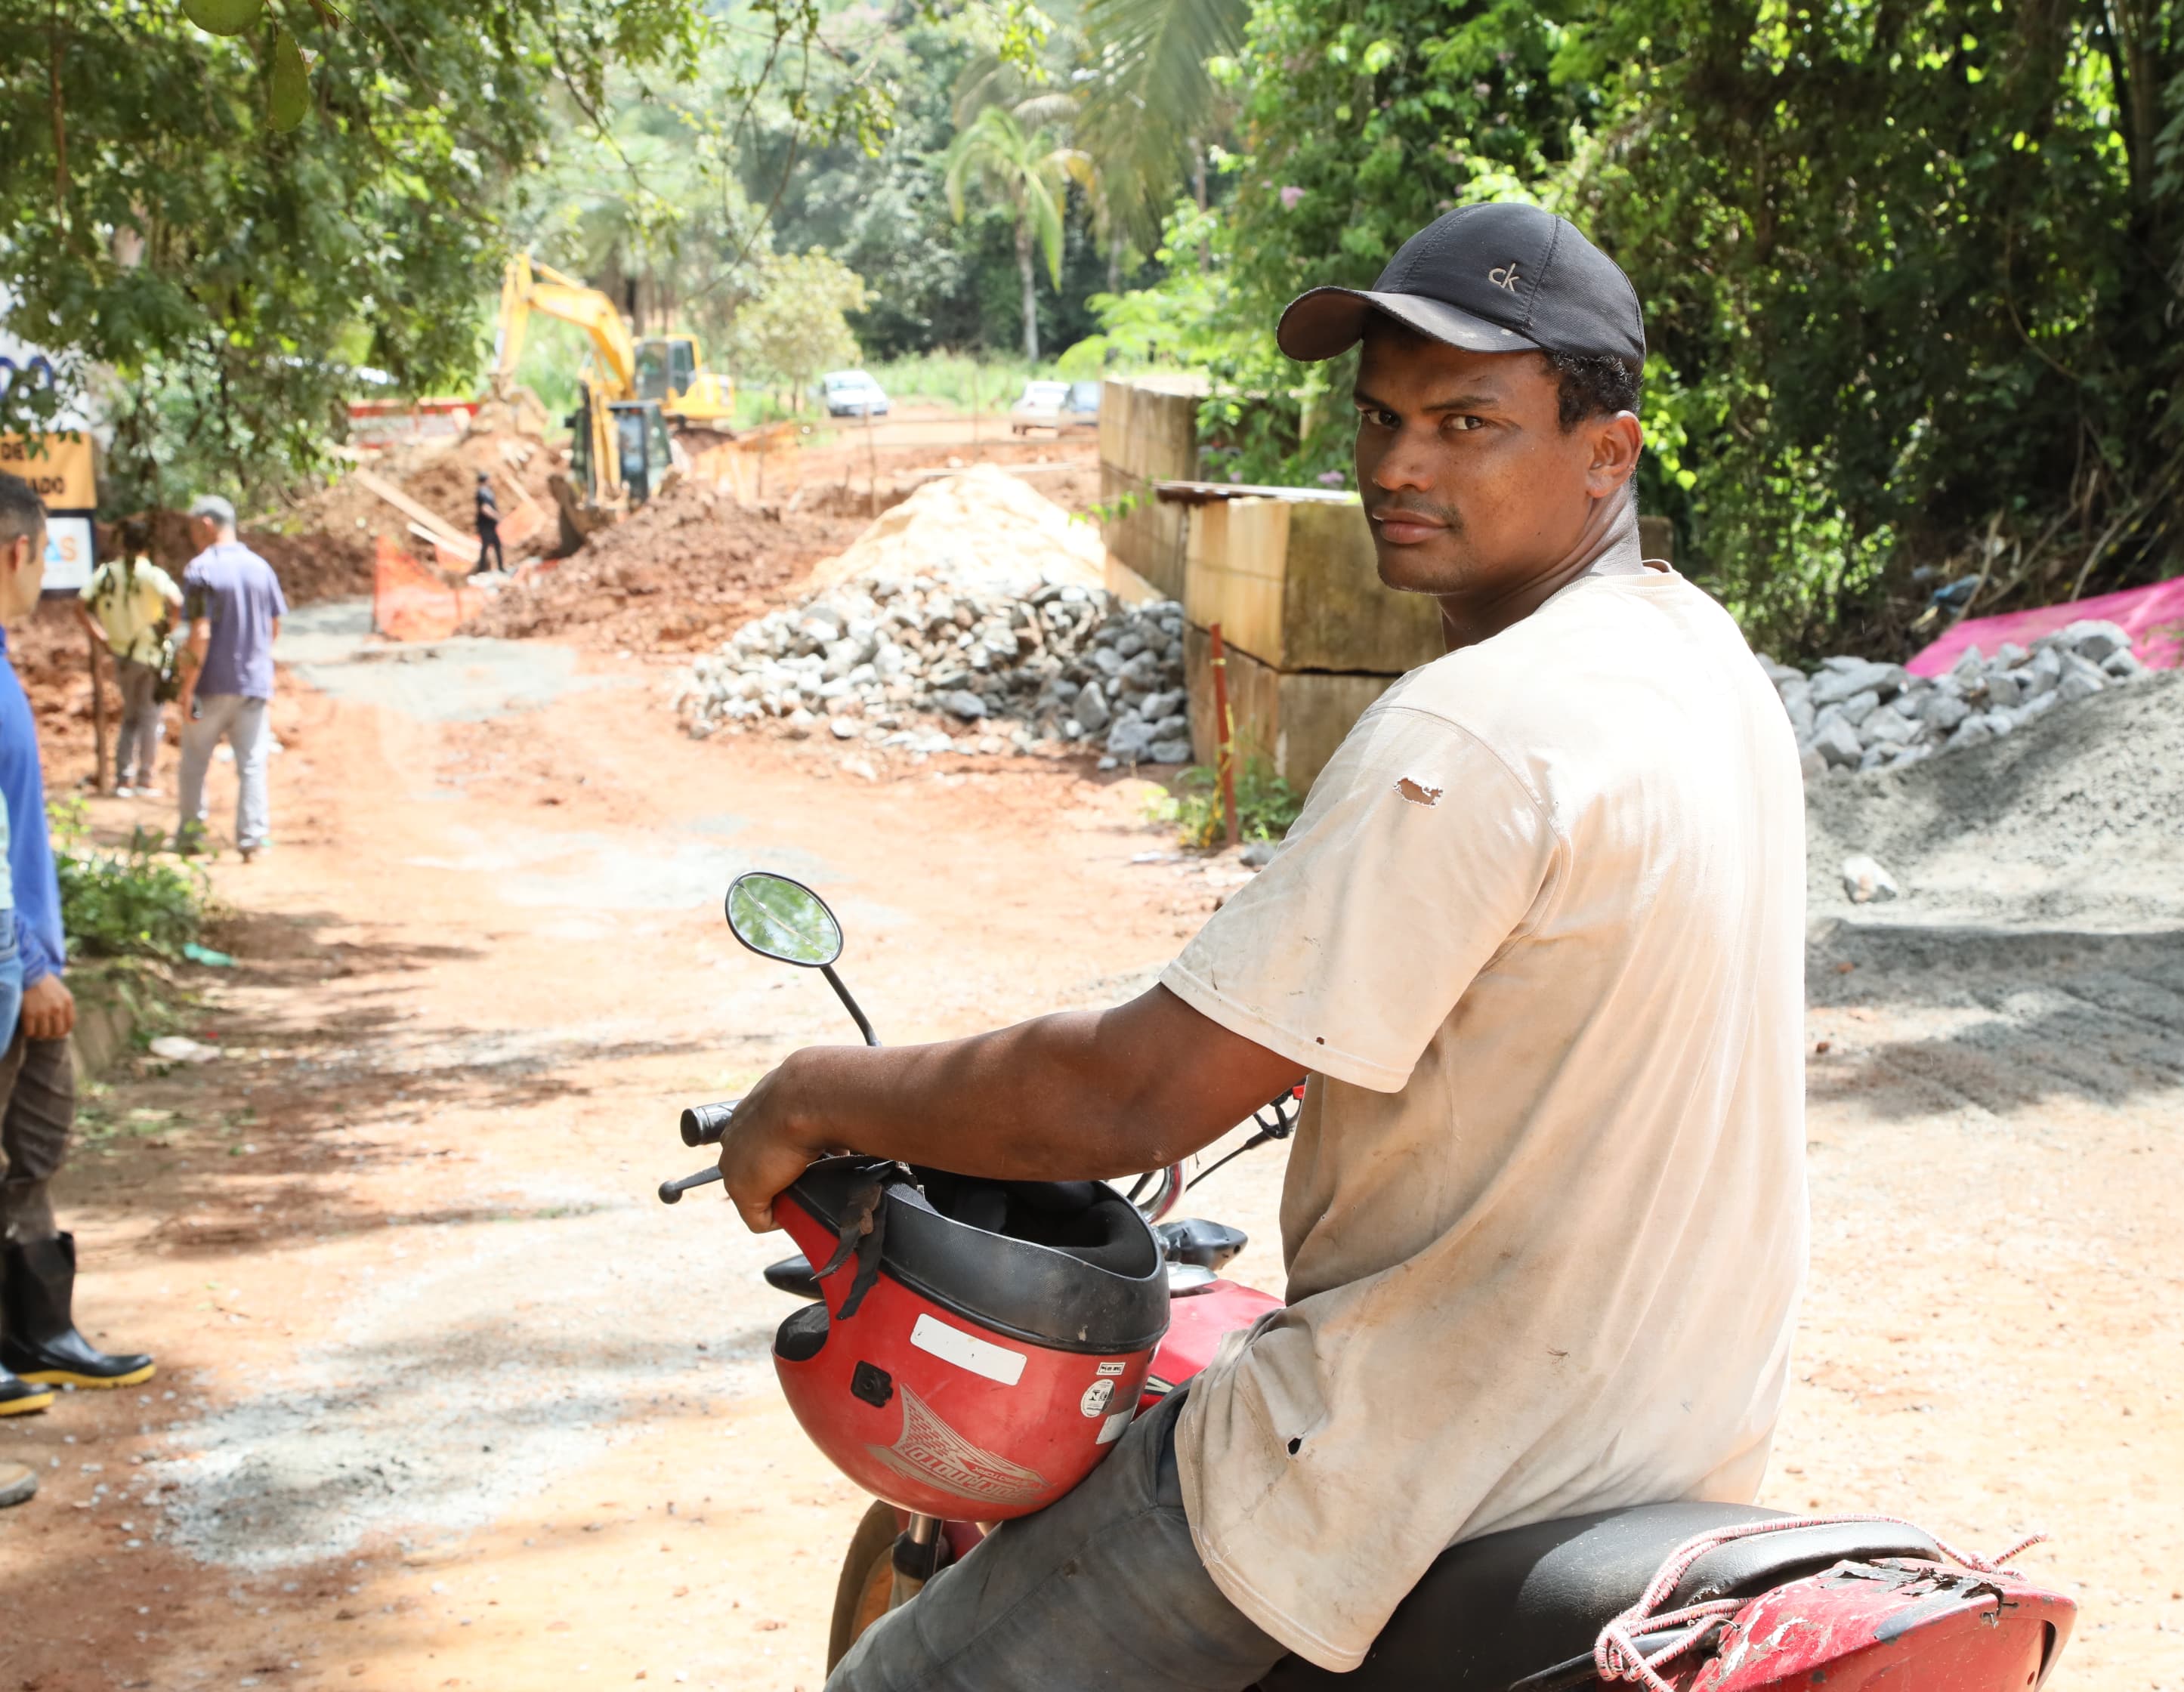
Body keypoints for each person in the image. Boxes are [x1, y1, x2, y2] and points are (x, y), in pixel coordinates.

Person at [717, 204, 1806, 1691]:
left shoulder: (1474, 730)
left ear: (1607, 451)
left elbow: (1132, 1098)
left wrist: (819, 1096)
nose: (1400, 464)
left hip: (1398, 1476)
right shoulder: (1703, 665)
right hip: (1662, 1460)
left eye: (1469, 421)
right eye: (1382, 415)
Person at [0, 473, 154, 1440]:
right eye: (45, 554)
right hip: (15, 964)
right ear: (15, 549)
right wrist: (27, 961)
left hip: (26, 961)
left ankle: (37, 1330)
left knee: (34, 1153)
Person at [174, 494, 287, 863]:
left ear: (206, 524)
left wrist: (187, 687)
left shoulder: (200, 571)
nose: (192, 536)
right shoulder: (261, 568)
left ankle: (191, 836)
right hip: (253, 684)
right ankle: (251, 838)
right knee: (252, 763)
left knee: (194, 761)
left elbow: (200, 633)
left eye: (193, 528)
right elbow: (274, 626)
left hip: (209, 684)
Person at [79, 515, 182, 797]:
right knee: (150, 717)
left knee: (131, 717)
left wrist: (100, 635)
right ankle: (145, 778)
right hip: (150, 654)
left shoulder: (108, 574)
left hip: (121, 653)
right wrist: (168, 630)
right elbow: (177, 602)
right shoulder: (151, 574)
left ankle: (124, 778)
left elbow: (81, 605)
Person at [473, 471, 505, 576]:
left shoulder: (485, 491)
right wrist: (496, 516)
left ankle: (500, 568)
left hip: (489, 525)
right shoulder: (483, 493)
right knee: (487, 546)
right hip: (486, 526)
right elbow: (485, 509)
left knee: (496, 545)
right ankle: (482, 570)